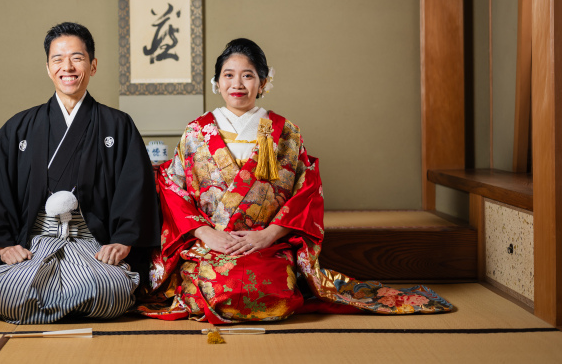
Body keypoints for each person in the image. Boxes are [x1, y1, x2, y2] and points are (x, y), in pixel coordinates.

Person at [137, 38, 452, 323]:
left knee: (275, 290)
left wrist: (268, 235)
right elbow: (171, 186)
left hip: (264, 244)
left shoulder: (285, 132)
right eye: (228, 75)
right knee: (215, 285)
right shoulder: (196, 131)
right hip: (210, 244)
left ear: (263, 82)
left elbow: (306, 191)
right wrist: (206, 234)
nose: (237, 84)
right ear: (217, 82)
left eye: (248, 75)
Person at [0, 22, 161, 324]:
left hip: (92, 245)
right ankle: (67, 304)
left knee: (112, 289)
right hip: (36, 242)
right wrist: (2, 243)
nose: (67, 67)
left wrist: (123, 239)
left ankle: (47, 307)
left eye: (77, 58)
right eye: (58, 59)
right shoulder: (19, 127)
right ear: (47, 67)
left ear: (92, 66)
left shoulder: (117, 125)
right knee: (11, 291)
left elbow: (136, 190)